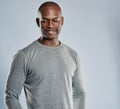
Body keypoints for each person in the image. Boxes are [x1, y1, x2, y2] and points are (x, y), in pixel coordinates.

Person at [5, 1, 85, 109]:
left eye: (55, 20)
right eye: (45, 20)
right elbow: (11, 96)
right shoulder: (23, 56)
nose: (50, 25)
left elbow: (79, 93)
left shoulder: (72, 55)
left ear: (62, 21)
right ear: (38, 22)